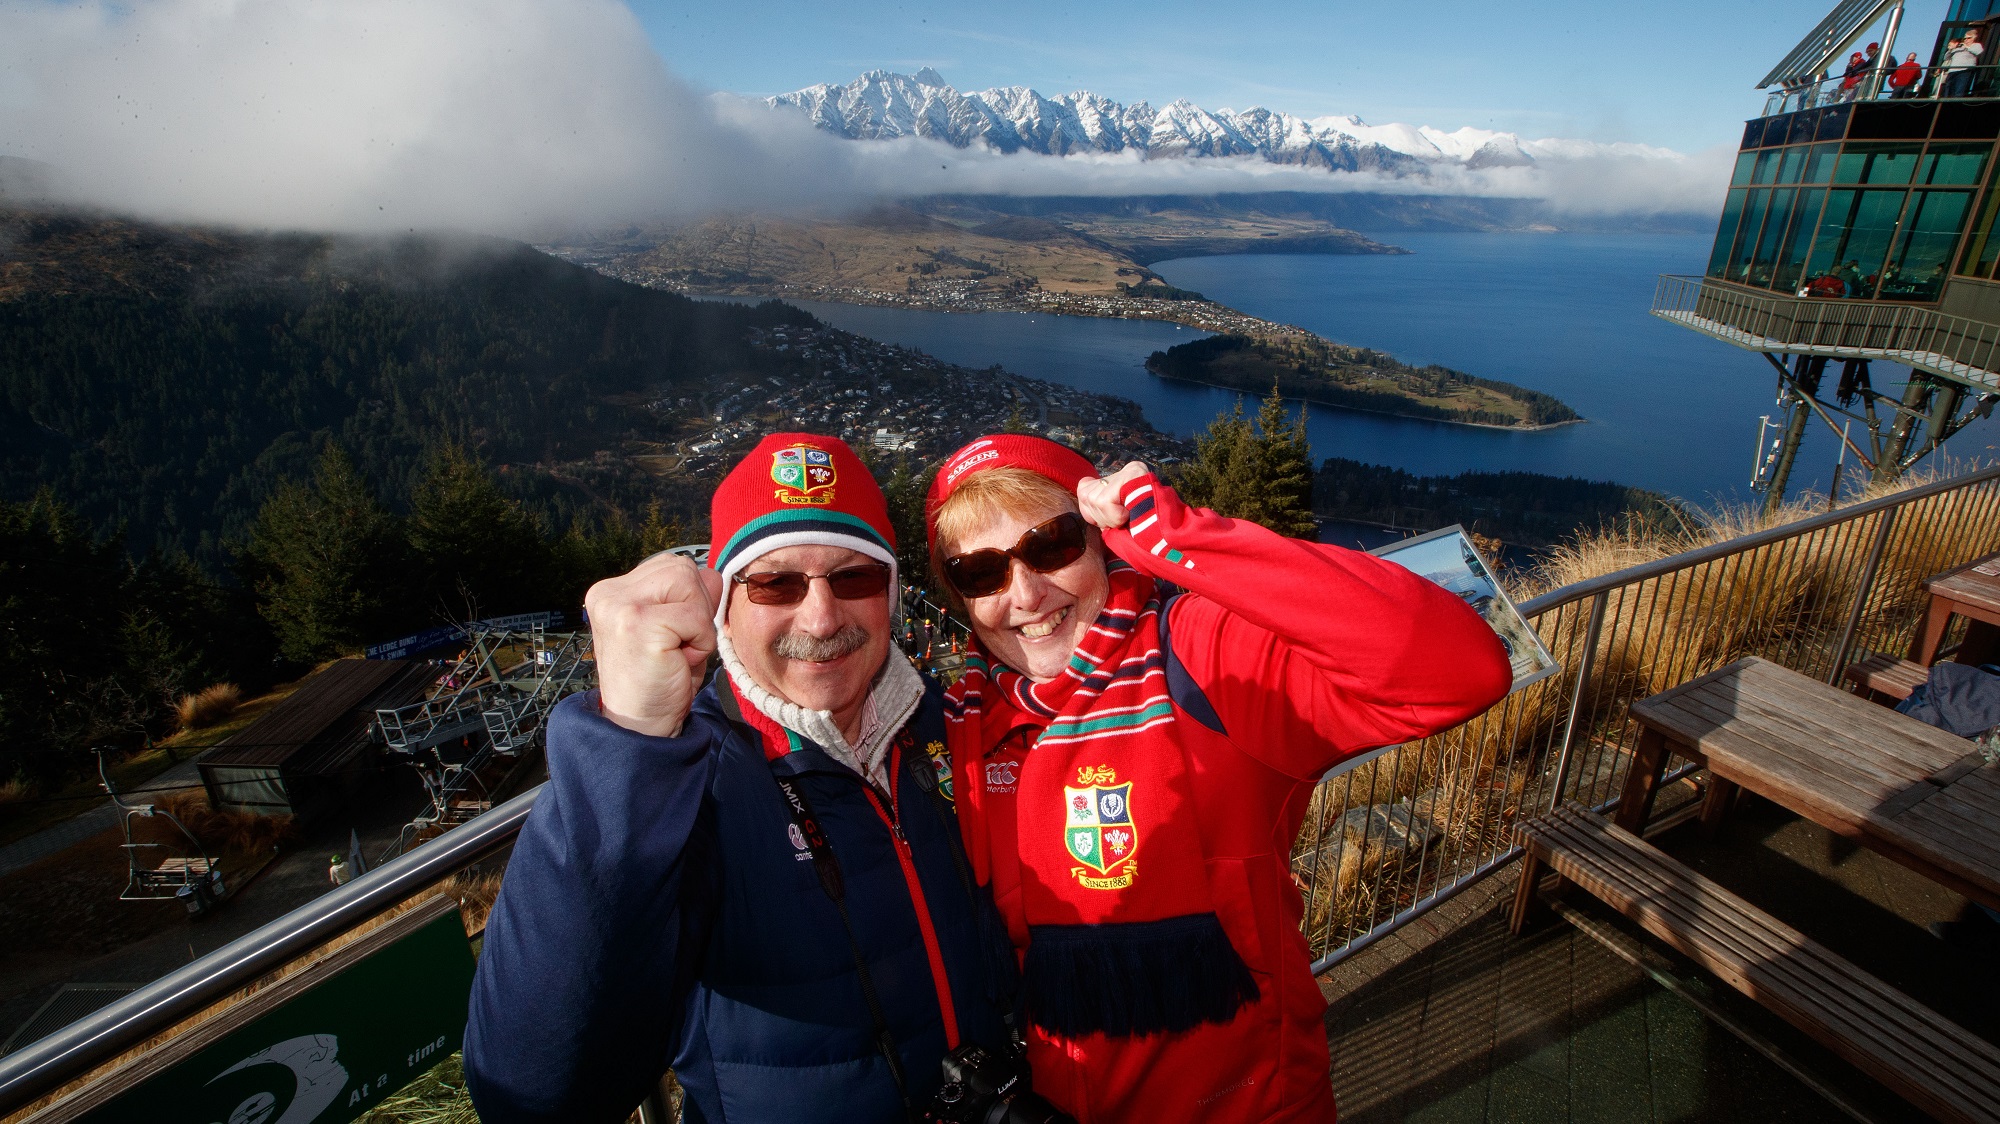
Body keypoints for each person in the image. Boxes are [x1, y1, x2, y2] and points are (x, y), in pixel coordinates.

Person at [925, 435, 1514, 1122]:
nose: (1025, 594)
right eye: (981, 573)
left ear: (1102, 540)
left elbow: (1464, 669)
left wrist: (1169, 534)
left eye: (1053, 544)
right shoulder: (963, 727)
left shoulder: (1201, 659)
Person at [465, 433, 1016, 1123]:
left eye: (854, 578)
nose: (820, 617)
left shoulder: (950, 727)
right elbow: (533, 1095)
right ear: (723, 608)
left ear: (891, 594)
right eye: (775, 583)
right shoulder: (681, 787)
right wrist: (626, 742)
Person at [1944, 31, 1984, 99]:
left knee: (1959, 91)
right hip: (1952, 71)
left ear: (1974, 38)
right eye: (1965, 38)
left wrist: (1967, 47)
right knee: (1948, 91)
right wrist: (1950, 50)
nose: (1966, 40)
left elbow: (1979, 52)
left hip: (1964, 71)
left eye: (1968, 38)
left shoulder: (1976, 45)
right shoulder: (1959, 47)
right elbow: (1946, 58)